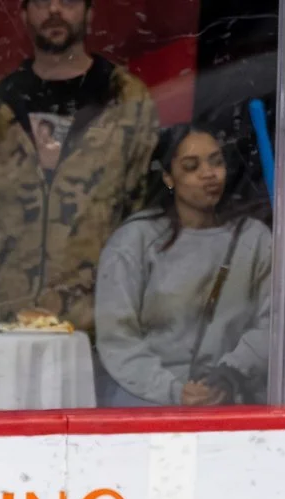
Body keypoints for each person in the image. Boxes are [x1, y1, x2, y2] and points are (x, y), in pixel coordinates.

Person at [0, 0, 158, 329]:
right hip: (6, 320)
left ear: (89, 12)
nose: (54, 10)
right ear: (23, 15)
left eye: (67, 2)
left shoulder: (126, 100)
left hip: (96, 324)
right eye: (40, 2)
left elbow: (147, 211)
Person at [93, 121, 271, 406]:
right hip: (143, 398)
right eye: (191, 167)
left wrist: (230, 373)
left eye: (216, 162)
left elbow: (275, 324)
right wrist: (173, 391)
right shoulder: (134, 240)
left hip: (230, 397)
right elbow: (118, 338)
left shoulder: (254, 239)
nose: (209, 174)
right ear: (168, 177)